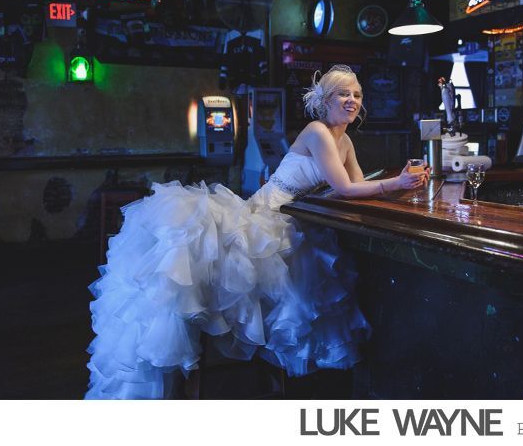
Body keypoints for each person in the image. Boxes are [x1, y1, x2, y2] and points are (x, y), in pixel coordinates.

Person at [85, 65, 427, 399]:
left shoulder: (345, 140)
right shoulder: (318, 131)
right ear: (326, 101)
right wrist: (395, 183)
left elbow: (358, 185)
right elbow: (346, 188)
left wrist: (403, 186)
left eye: (357, 94)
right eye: (343, 94)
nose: (352, 100)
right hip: (268, 216)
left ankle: (283, 380)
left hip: (295, 219)